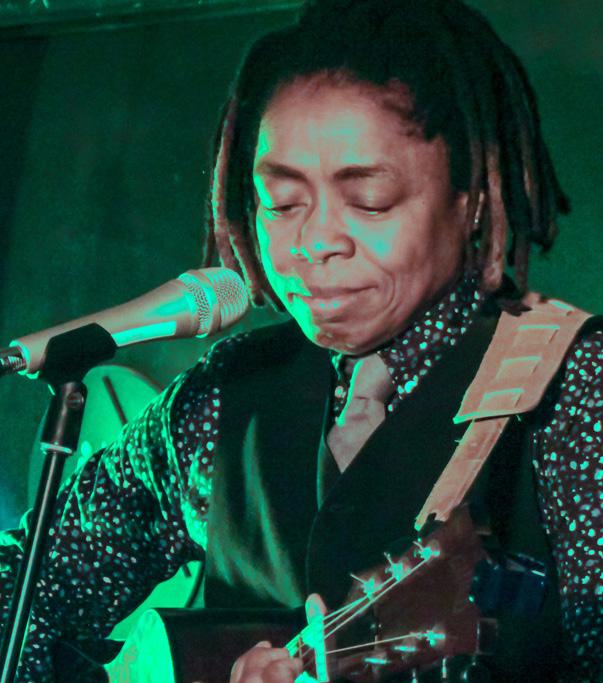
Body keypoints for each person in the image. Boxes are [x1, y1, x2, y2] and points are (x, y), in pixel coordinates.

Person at [1, 0, 601, 681]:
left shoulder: (577, 389)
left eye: (369, 201)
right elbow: (27, 591)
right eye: (281, 203)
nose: (313, 241)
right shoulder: (222, 395)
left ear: (471, 199)